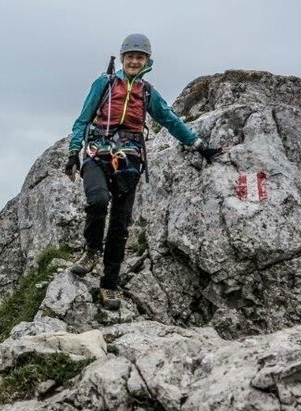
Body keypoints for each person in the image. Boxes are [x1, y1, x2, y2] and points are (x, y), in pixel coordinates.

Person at [64, 33, 224, 310]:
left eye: (140, 57)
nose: (134, 61)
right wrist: (72, 153)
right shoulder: (104, 84)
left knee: (120, 225)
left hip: (129, 161)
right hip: (96, 154)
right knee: (98, 200)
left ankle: (109, 285)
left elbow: (170, 120)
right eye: (130, 57)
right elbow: (83, 119)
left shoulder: (147, 92)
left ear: (147, 61)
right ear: (122, 58)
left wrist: (200, 146)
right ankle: (91, 250)